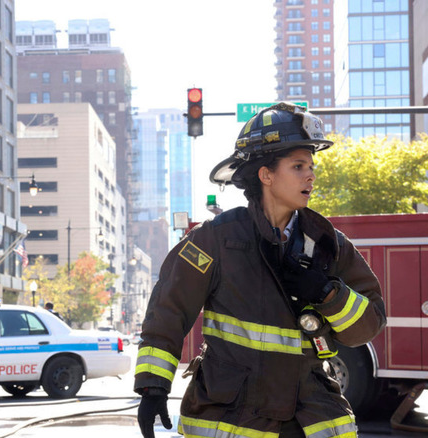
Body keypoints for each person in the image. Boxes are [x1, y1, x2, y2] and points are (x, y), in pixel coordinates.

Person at [134, 102, 387, 438]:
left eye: (311, 166)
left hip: (310, 420)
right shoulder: (216, 240)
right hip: (233, 416)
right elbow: (169, 310)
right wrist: (153, 387)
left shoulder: (328, 244)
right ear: (266, 175)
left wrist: (329, 294)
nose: (310, 175)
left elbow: (368, 326)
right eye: (298, 166)